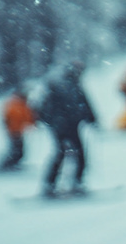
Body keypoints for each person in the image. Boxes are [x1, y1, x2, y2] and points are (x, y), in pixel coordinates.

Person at [36, 61, 96, 196]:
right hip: (64, 126)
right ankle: (64, 183)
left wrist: (91, 118)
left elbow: (83, 104)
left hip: (65, 125)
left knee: (66, 153)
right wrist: (91, 118)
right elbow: (81, 104)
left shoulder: (67, 85)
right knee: (70, 153)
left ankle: (54, 184)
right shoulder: (65, 86)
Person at [0, 90, 34, 171]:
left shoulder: (23, 106)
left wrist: (32, 122)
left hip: (18, 131)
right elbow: (7, 117)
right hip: (13, 131)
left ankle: (10, 163)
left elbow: (27, 117)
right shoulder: (15, 105)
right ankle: (6, 164)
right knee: (16, 150)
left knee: (18, 149)